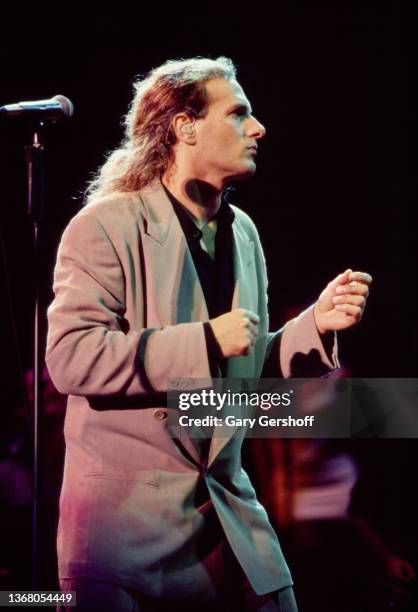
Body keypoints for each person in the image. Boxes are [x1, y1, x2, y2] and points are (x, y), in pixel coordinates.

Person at [46, 57, 372, 611]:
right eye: (238, 113)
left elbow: (244, 373)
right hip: (123, 533)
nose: (258, 128)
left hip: (224, 514)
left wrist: (311, 328)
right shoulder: (106, 224)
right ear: (184, 127)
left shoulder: (243, 233)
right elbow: (71, 358)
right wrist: (203, 341)